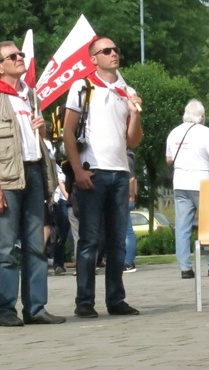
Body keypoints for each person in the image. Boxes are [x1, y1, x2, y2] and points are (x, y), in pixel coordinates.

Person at [0, 41, 65, 327]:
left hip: (35, 171)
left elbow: (36, 139)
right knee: (5, 247)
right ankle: (5, 310)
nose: (20, 58)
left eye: (20, 54)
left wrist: (44, 129)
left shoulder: (30, 95)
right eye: (12, 56)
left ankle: (36, 308)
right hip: (8, 177)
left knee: (36, 245)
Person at [63, 37, 143, 318]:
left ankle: (115, 299)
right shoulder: (83, 87)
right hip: (93, 170)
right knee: (89, 240)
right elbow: (68, 131)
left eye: (115, 49)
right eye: (106, 51)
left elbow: (133, 140)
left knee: (117, 241)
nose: (113, 54)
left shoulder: (126, 90)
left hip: (120, 172)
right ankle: (84, 301)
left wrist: (134, 114)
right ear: (93, 59)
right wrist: (78, 170)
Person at [166, 99, 209, 279]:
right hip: (202, 182)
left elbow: (169, 159)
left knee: (182, 227)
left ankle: (185, 267)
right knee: (207, 226)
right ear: (201, 116)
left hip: (180, 183)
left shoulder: (174, 132)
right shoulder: (205, 132)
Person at [124, 149, 138, 273]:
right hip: (127, 198)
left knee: (127, 231)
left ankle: (128, 262)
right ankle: (127, 261)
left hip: (125, 198)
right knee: (126, 231)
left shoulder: (126, 158)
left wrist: (130, 195)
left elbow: (132, 179)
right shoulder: (129, 157)